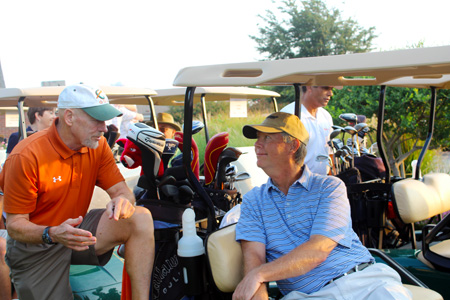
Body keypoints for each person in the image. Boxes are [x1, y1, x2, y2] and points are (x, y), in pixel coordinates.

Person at [233, 112, 411, 300]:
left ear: (292, 146)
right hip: (308, 296)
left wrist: (259, 274)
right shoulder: (253, 201)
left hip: (364, 282)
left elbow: (318, 249)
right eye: (258, 139)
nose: (256, 144)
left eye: (267, 138)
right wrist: (256, 282)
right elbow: (254, 261)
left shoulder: (329, 188)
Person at [0, 84, 155, 300]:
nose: (104, 128)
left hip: (77, 229)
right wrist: (53, 233)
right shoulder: (26, 156)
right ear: (70, 117)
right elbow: (15, 227)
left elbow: (122, 191)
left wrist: (123, 201)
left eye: (105, 119)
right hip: (37, 243)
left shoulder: (97, 145)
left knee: (140, 218)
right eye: (97, 119)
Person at [281, 86, 336, 175]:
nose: (330, 93)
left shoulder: (326, 116)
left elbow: (329, 152)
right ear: (309, 87)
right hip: (298, 183)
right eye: (326, 88)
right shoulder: (289, 115)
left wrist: (333, 177)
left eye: (331, 89)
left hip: (323, 181)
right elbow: (281, 156)